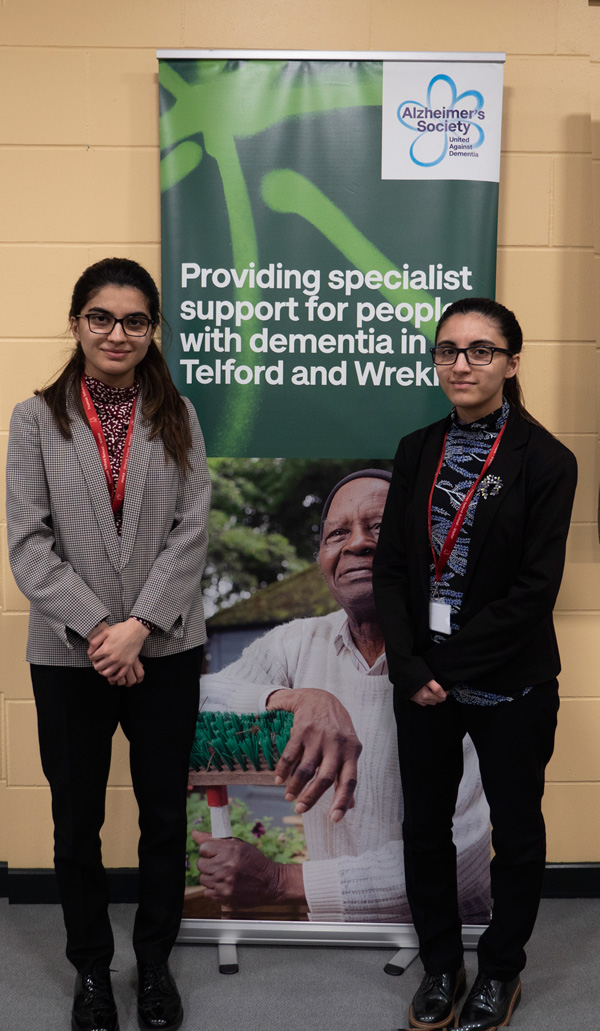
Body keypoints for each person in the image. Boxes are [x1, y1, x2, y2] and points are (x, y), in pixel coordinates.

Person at [6, 258, 211, 1031]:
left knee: (163, 815)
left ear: (152, 329)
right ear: (76, 322)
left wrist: (141, 626)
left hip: (165, 649)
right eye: (101, 317)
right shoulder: (36, 419)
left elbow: (192, 532)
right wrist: (102, 630)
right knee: (75, 819)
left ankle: (153, 964)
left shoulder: (180, 414)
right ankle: (92, 970)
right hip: (70, 657)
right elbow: (28, 546)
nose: (116, 333)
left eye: (133, 320)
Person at [372, 298, 577, 1031]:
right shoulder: (416, 446)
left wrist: (444, 666)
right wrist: (409, 663)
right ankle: (438, 966)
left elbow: (533, 592)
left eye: (481, 350)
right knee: (424, 824)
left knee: (514, 829)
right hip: (423, 676)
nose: (462, 363)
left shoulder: (548, 461)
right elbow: (391, 568)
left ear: (512, 362)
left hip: (507, 678)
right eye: (449, 349)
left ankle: (499, 971)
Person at [194, 470, 491, 925]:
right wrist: (296, 699)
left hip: (451, 945)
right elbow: (196, 697)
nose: (358, 544)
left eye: (380, 528)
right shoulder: (296, 644)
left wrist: (281, 881)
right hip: (333, 938)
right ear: (322, 558)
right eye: (338, 533)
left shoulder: (466, 655)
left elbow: (461, 860)